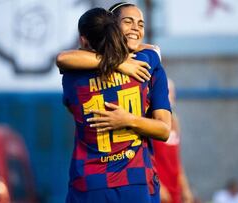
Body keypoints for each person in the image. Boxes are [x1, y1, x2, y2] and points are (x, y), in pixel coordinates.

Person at [60, 7, 171, 203]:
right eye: (128, 22)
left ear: (83, 40)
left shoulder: (71, 76)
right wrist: (119, 63)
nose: (136, 28)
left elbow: (62, 59)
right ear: (113, 30)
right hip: (134, 180)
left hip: (88, 181)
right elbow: (155, 51)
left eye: (140, 24)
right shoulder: (147, 63)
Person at [152, 79, 194, 203]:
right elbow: (144, 157)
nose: (173, 95)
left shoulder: (175, 122)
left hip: (174, 191)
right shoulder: (150, 121)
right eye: (169, 92)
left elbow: (176, 160)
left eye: (173, 92)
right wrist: (157, 185)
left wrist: (185, 188)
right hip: (159, 190)